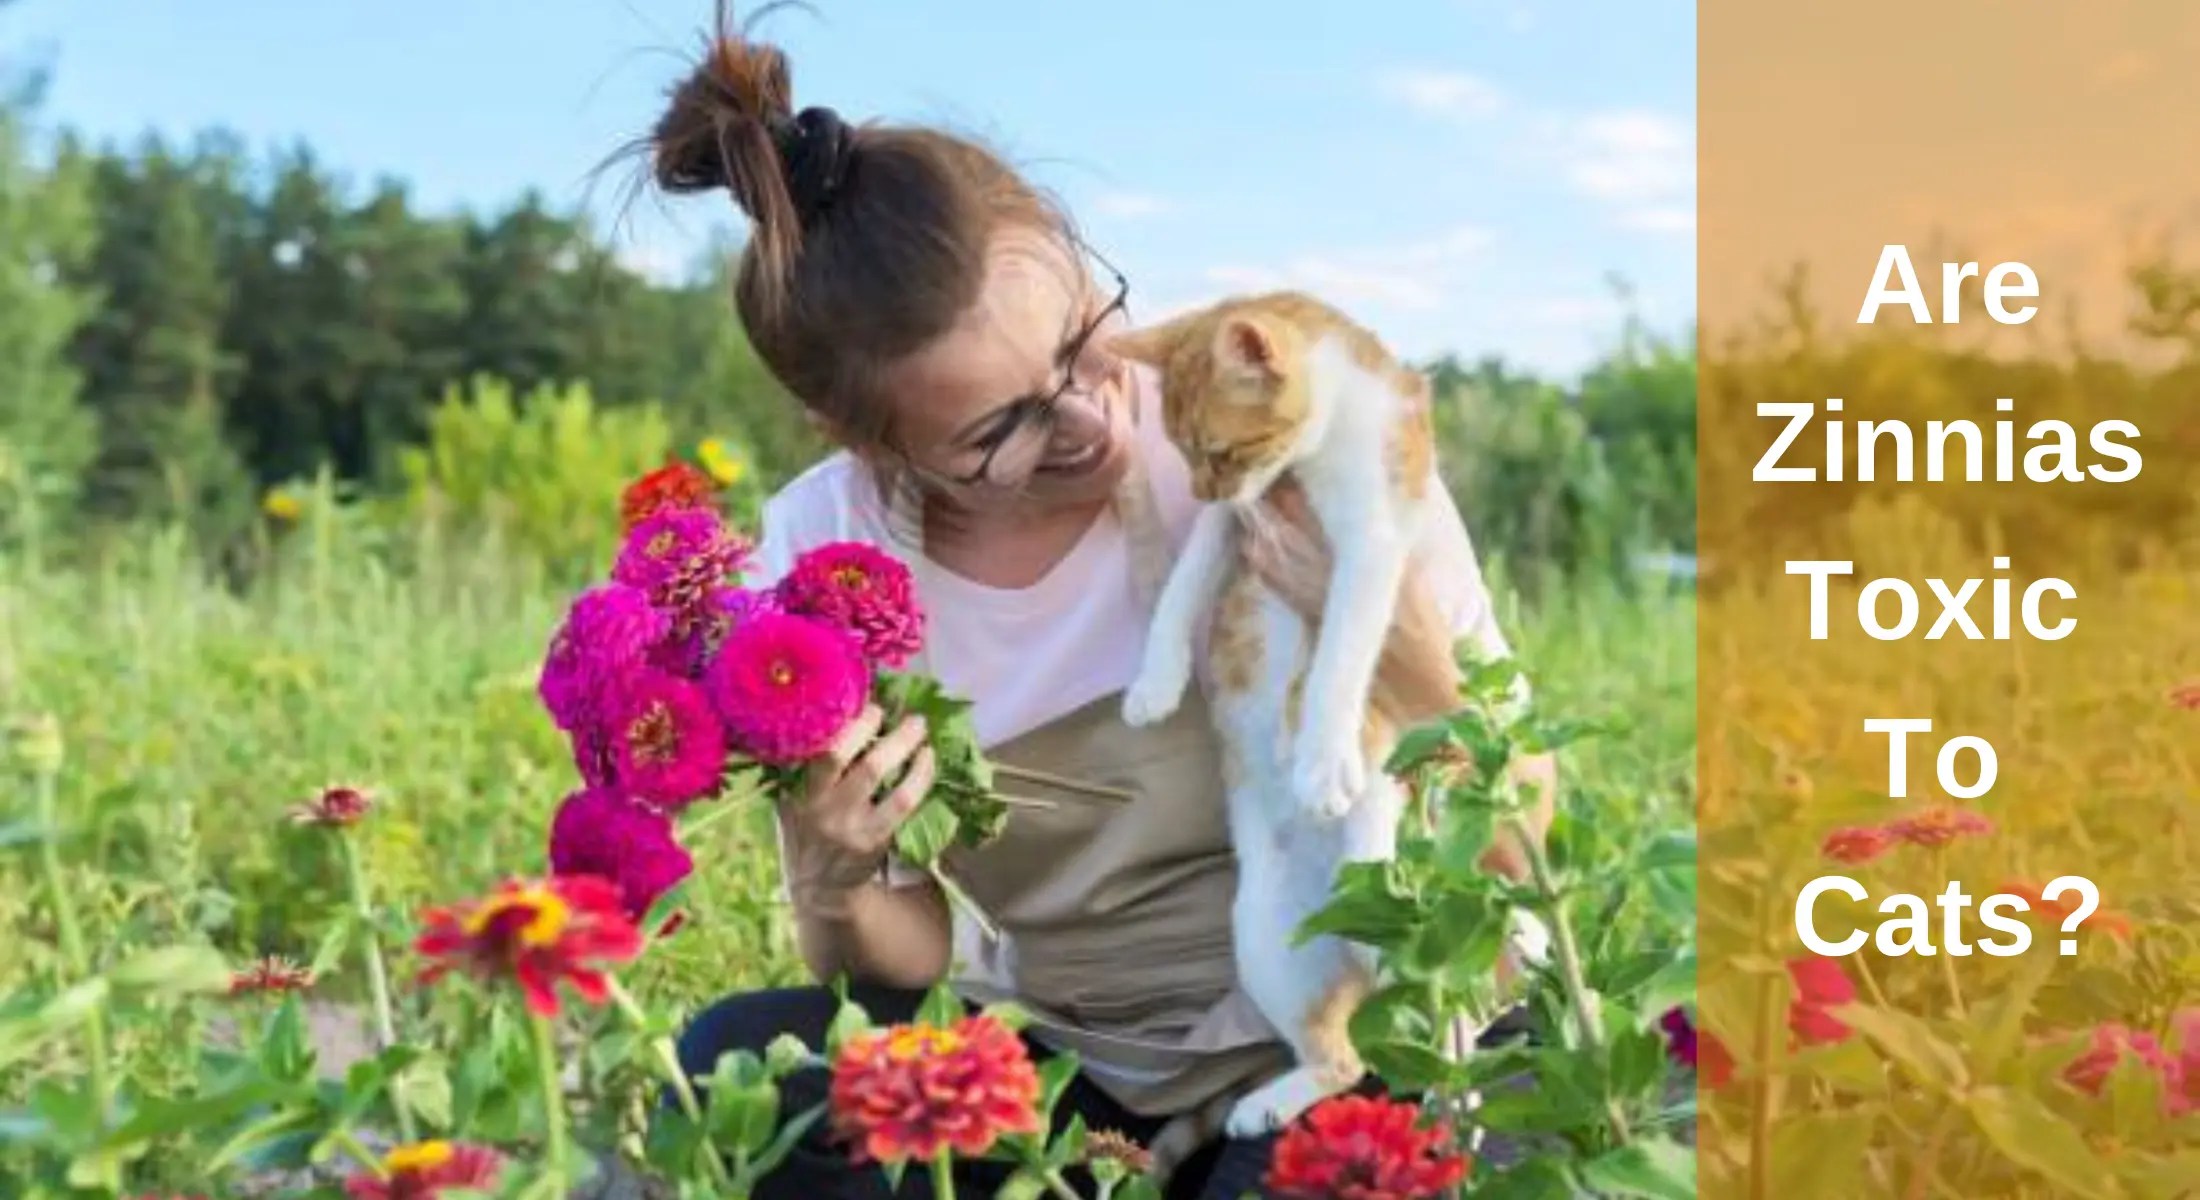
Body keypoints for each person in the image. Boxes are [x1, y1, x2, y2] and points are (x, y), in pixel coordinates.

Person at [644, 16, 1557, 1199]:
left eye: (1084, 340)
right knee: (740, 1074)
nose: (1090, 419)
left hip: (1360, 1045)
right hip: (1076, 1070)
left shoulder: (1271, 431)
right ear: (863, 441)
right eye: (999, 430)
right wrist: (829, 868)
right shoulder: (827, 555)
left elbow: (1528, 845)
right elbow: (900, 965)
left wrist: (1403, 658)